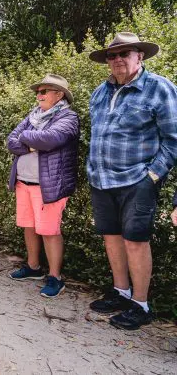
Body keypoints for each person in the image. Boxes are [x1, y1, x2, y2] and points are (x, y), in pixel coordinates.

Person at [86, 32, 177, 330]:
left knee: (135, 242)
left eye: (125, 54)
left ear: (140, 56)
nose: (117, 60)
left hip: (137, 180)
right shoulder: (100, 92)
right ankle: (121, 292)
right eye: (112, 56)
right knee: (111, 237)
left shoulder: (160, 89)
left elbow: (173, 141)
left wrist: (152, 176)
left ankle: (141, 304)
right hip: (101, 180)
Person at [7, 74, 79, 298]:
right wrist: (32, 144)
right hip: (24, 182)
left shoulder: (69, 117)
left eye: (43, 91)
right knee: (29, 226)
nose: (39, 95)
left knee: (49, 231)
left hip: (49, 185)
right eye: (38, 92)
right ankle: (33, 267)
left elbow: (51, 139)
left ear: (59, 95)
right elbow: (11, 140)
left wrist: (28, 138)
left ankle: (55, 277)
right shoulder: (34, 115)